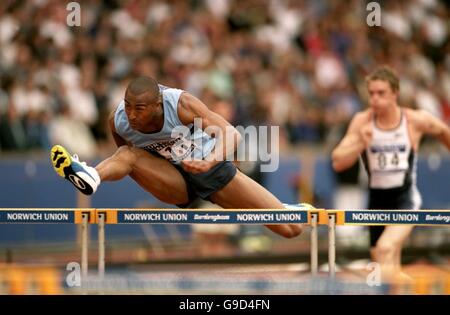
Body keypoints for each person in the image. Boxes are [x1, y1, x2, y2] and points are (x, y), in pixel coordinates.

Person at [50, 76, 302, 238]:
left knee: (291, 229)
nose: (132, 115)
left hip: (209, 170)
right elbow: (124, 158)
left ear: (158, 104)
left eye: (139, 109)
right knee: (127, 154)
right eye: (127, 106)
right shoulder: (118, 122)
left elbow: (232, 134)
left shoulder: (181, 105)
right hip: (174, 182)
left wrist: (210, 160)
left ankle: (290, 210)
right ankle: (91, 175)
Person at [331, 65, 450, 282]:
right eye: (371, 94)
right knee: (384, 270)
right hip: (376, 201)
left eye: (381, 93)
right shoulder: (362, 121)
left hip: (405, 199)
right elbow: (338, 161)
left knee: (386, 248)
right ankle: (414, 287)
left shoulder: (414, 120)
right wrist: (360, 141)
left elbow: (443, 131)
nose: (375, 99)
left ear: (395, 93)